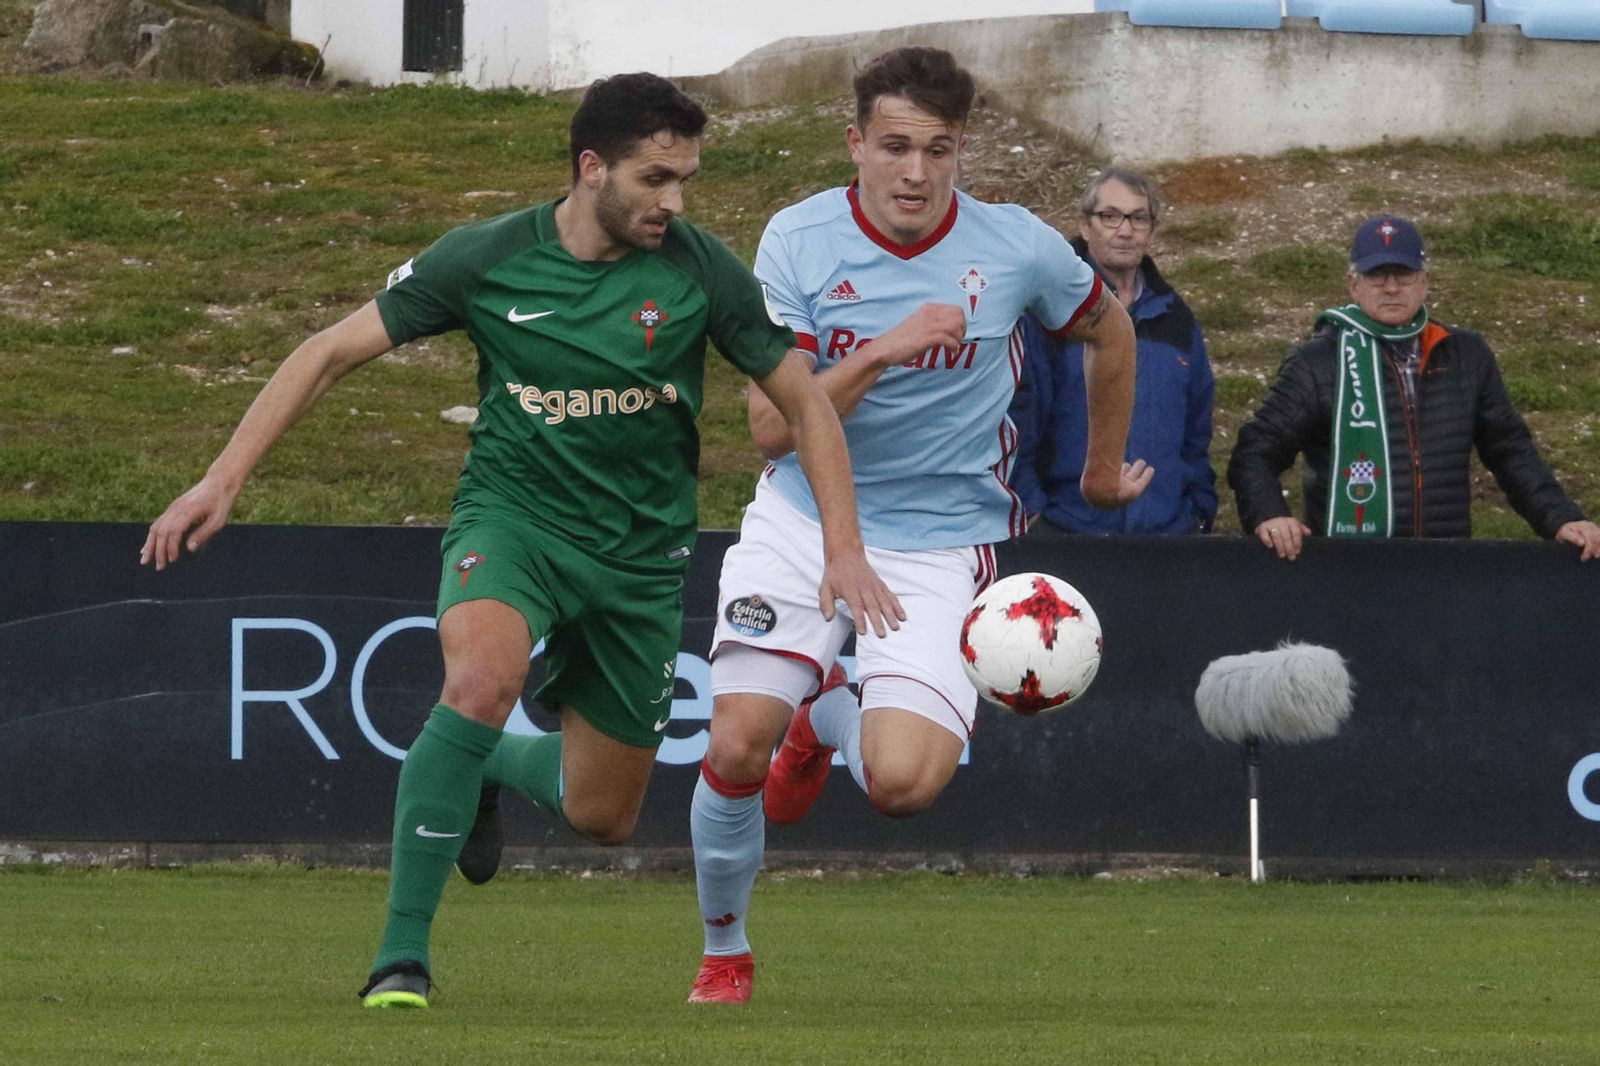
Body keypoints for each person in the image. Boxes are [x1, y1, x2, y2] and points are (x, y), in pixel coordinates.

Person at [139, 72, 900, 1010]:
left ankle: (490, 763)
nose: (674, 201)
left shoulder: (701, 270)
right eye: (656, 178)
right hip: (512, 524)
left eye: (685, 181)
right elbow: (326, 351)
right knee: (478, 682)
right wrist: (222, 478)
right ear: (592, 167)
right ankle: (400, 960)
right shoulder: (488, 257)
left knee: (603, 815)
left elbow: (806, 407)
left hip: (638, 561)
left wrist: (843, 548)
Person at [684, 46, 1149, 1005]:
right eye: (895, 146)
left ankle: (826, 717)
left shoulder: (1014, 245)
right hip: (804, 519)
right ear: (855, 143)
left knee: (902, 787)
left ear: (960, 150)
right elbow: (771, 426)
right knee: (733, 746)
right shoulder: (798, 238)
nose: (915, 172)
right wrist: (885, 350)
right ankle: (724, 953)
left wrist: (1101, 471)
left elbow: (1111, 327)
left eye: (938, 150)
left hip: (939, 541)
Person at [1227, 214, 1600, 561]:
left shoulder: (1467, 354)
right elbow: (1256, 451)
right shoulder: (1317, 361)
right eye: (1376, 276)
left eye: (1403, 275)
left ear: (1425, 282)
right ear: (1353, 285)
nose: (1391, 288)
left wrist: (1560, 517)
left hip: (1445, 562)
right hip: (1345, 566)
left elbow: (1509, 449)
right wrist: (1269, 514)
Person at [1011, 168, 1217, 535]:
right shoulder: (1050, 313)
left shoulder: (1177, 320)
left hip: (1167, 537)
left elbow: (1197, 434)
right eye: (1110, 216)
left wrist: (1200, 510)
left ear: (1152, 230)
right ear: (1085, 225)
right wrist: (1033, 514)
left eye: (1138, 218)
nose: (1125, 230)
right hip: (1068, 531)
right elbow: (1019, 420)